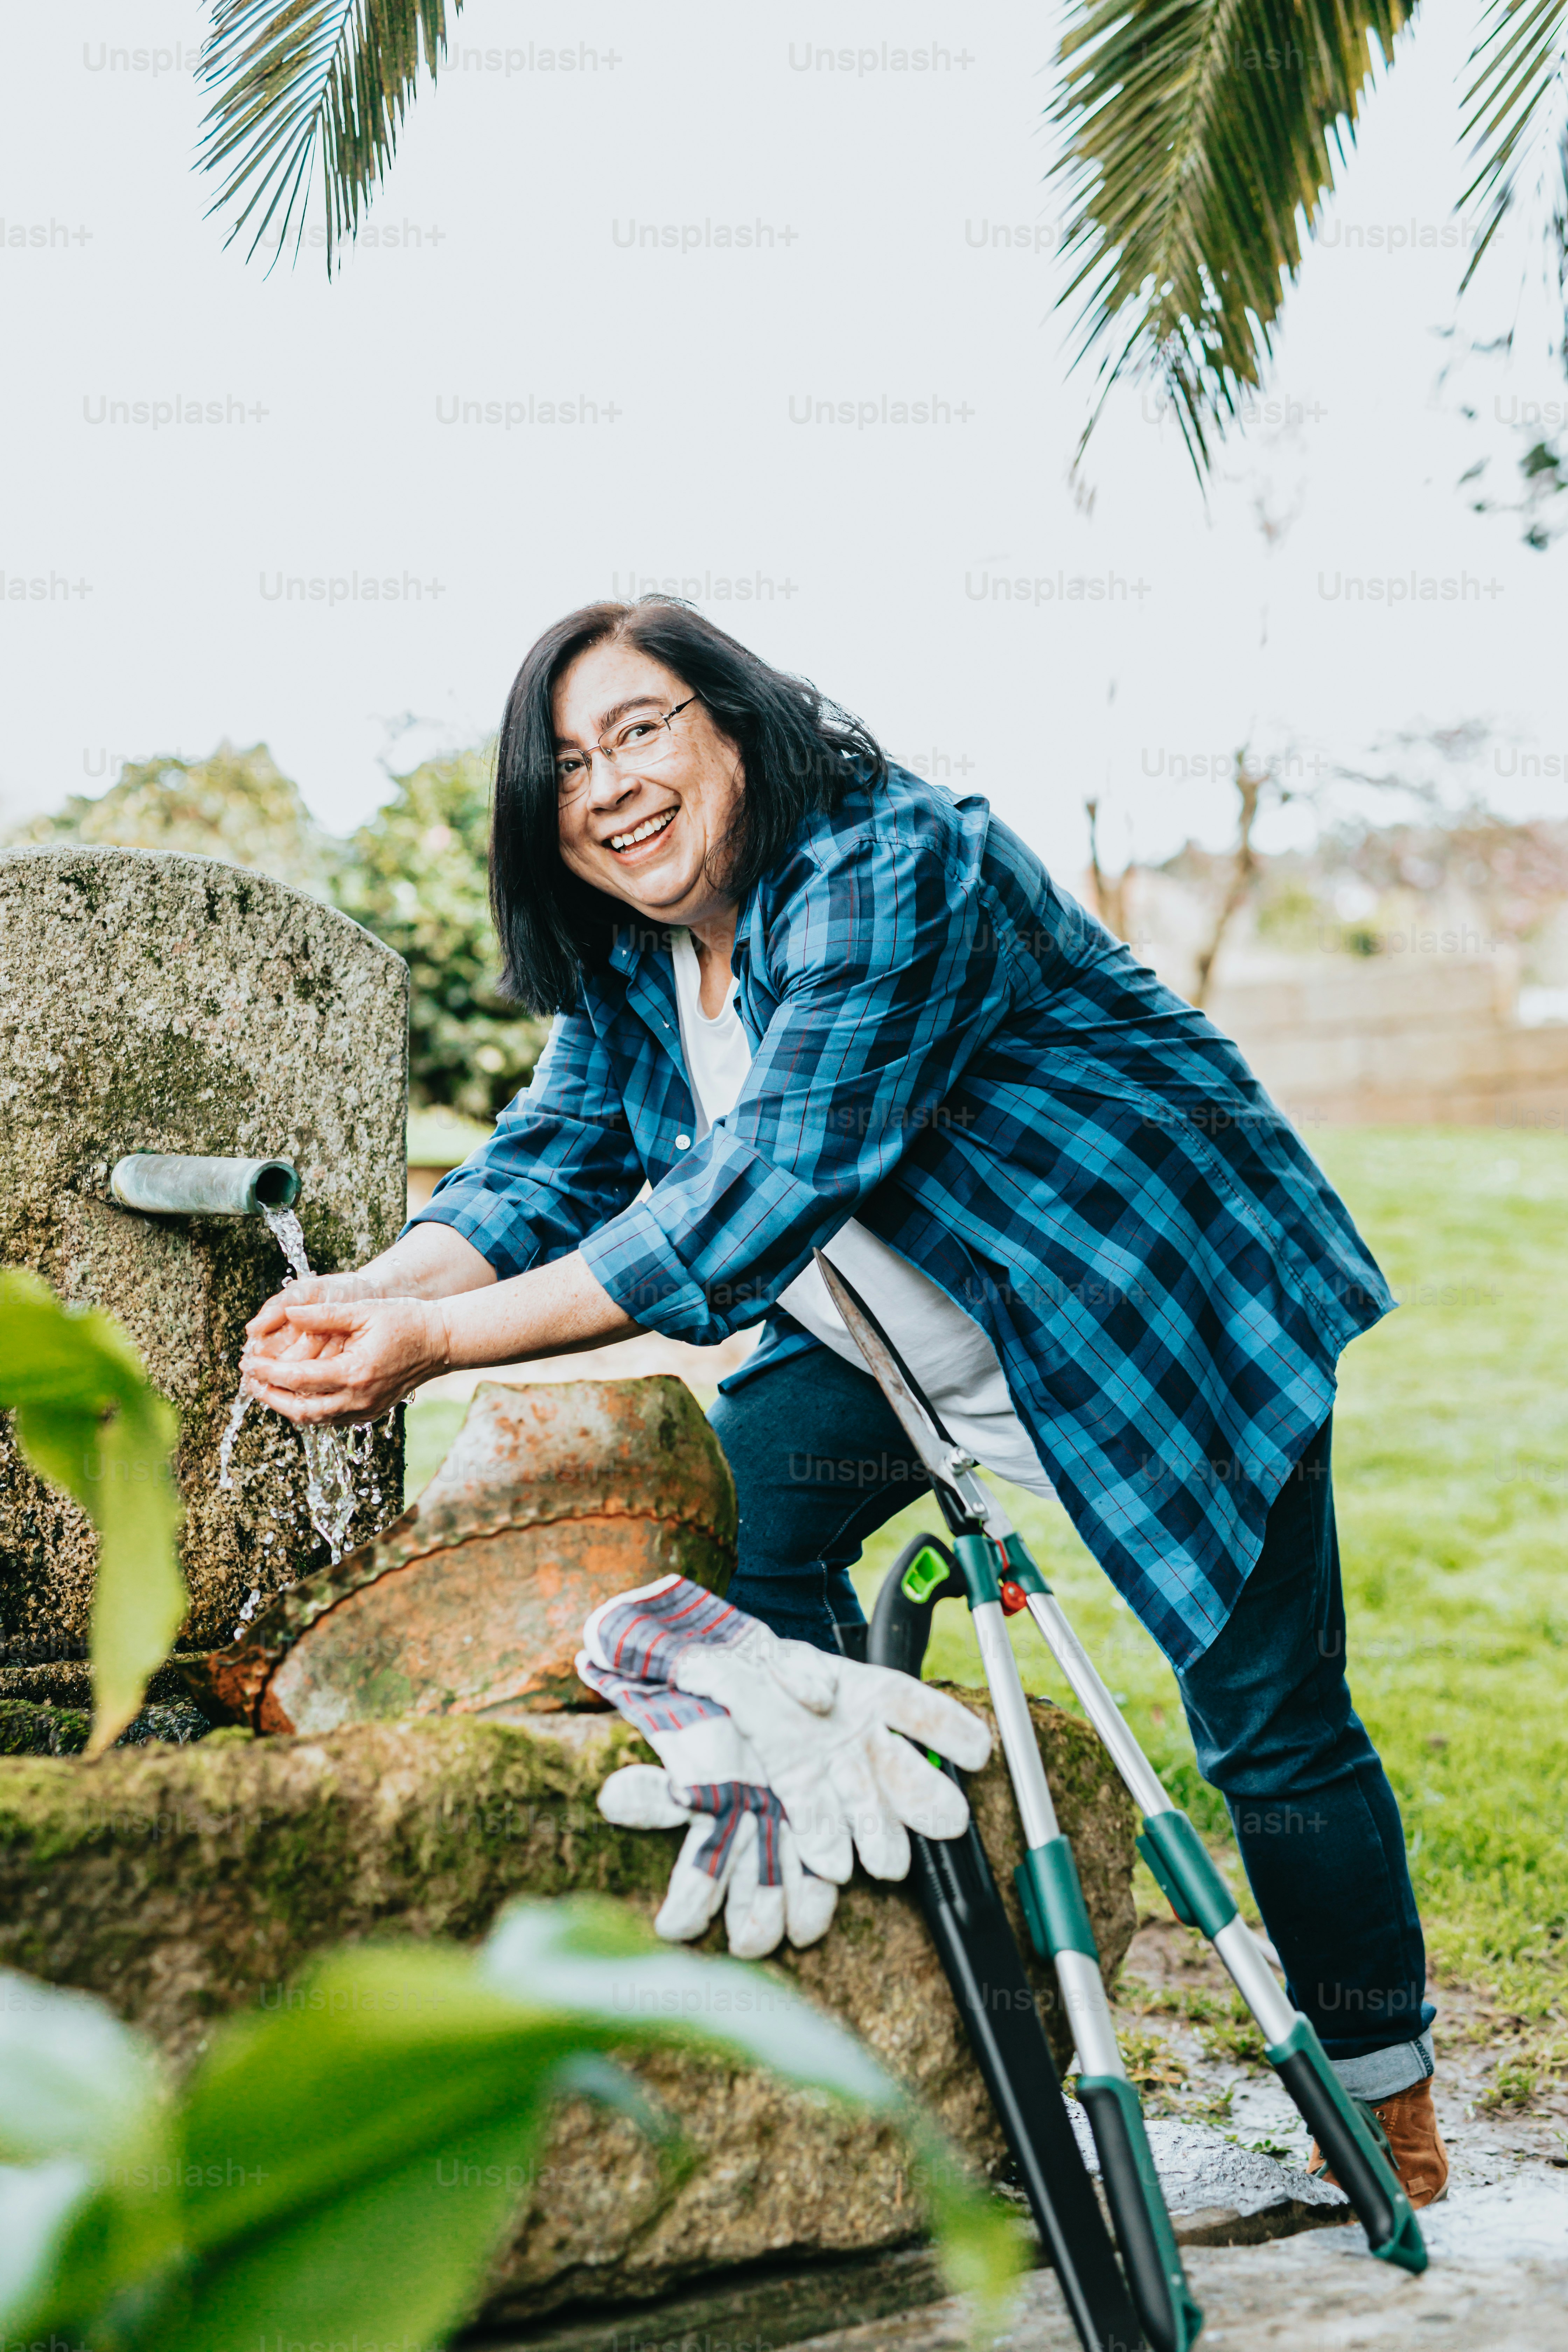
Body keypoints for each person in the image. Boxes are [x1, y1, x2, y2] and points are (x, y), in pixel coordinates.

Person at [241, 596, 1446, 2206]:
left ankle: (1394, 2116)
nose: (606, 786)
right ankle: (909, 1983)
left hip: (1144, 1302)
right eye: (567, 766)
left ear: (737, 723)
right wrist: (381, 1292)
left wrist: (442, 1352)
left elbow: (764, 1183)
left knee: (1267, 1723)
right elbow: (557, 1161)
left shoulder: (895, 867)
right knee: (743, 1539)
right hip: (888, 1335)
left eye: (641, 728)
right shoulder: (637, 949)